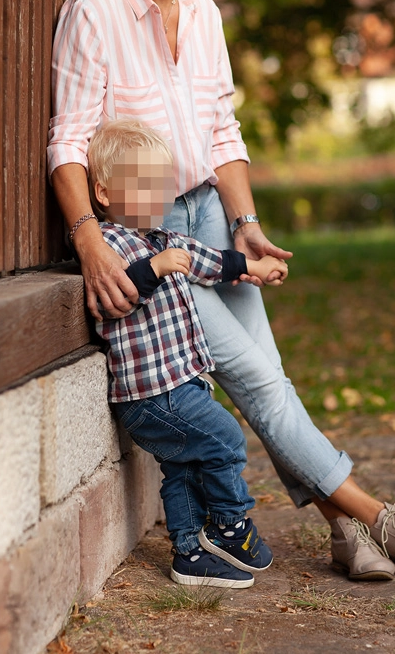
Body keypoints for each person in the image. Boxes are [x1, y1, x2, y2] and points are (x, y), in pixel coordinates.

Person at [47, 0, 395, 582]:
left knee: (266, 371)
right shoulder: (93, 12)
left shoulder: (203, 12)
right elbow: (69, 140)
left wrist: (245, 221)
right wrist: (88, 240)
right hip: (149, 232)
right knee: (252, 377)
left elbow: (220, 132)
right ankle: (374, 516)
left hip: (211, 212)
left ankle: (345, 531)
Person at [87, 118, 286, 588]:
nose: (157, 197)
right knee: (224, 438)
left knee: (184, 465)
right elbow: (112, 299)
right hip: (152, 395)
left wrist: (254, 267)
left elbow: (213, 262)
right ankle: (230, 526)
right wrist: (152, 269)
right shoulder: (108, 247)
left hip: (180, 384)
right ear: (104, 192)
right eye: (142, 185)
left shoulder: (168, 240)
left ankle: (191, 554)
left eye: (162, 186)